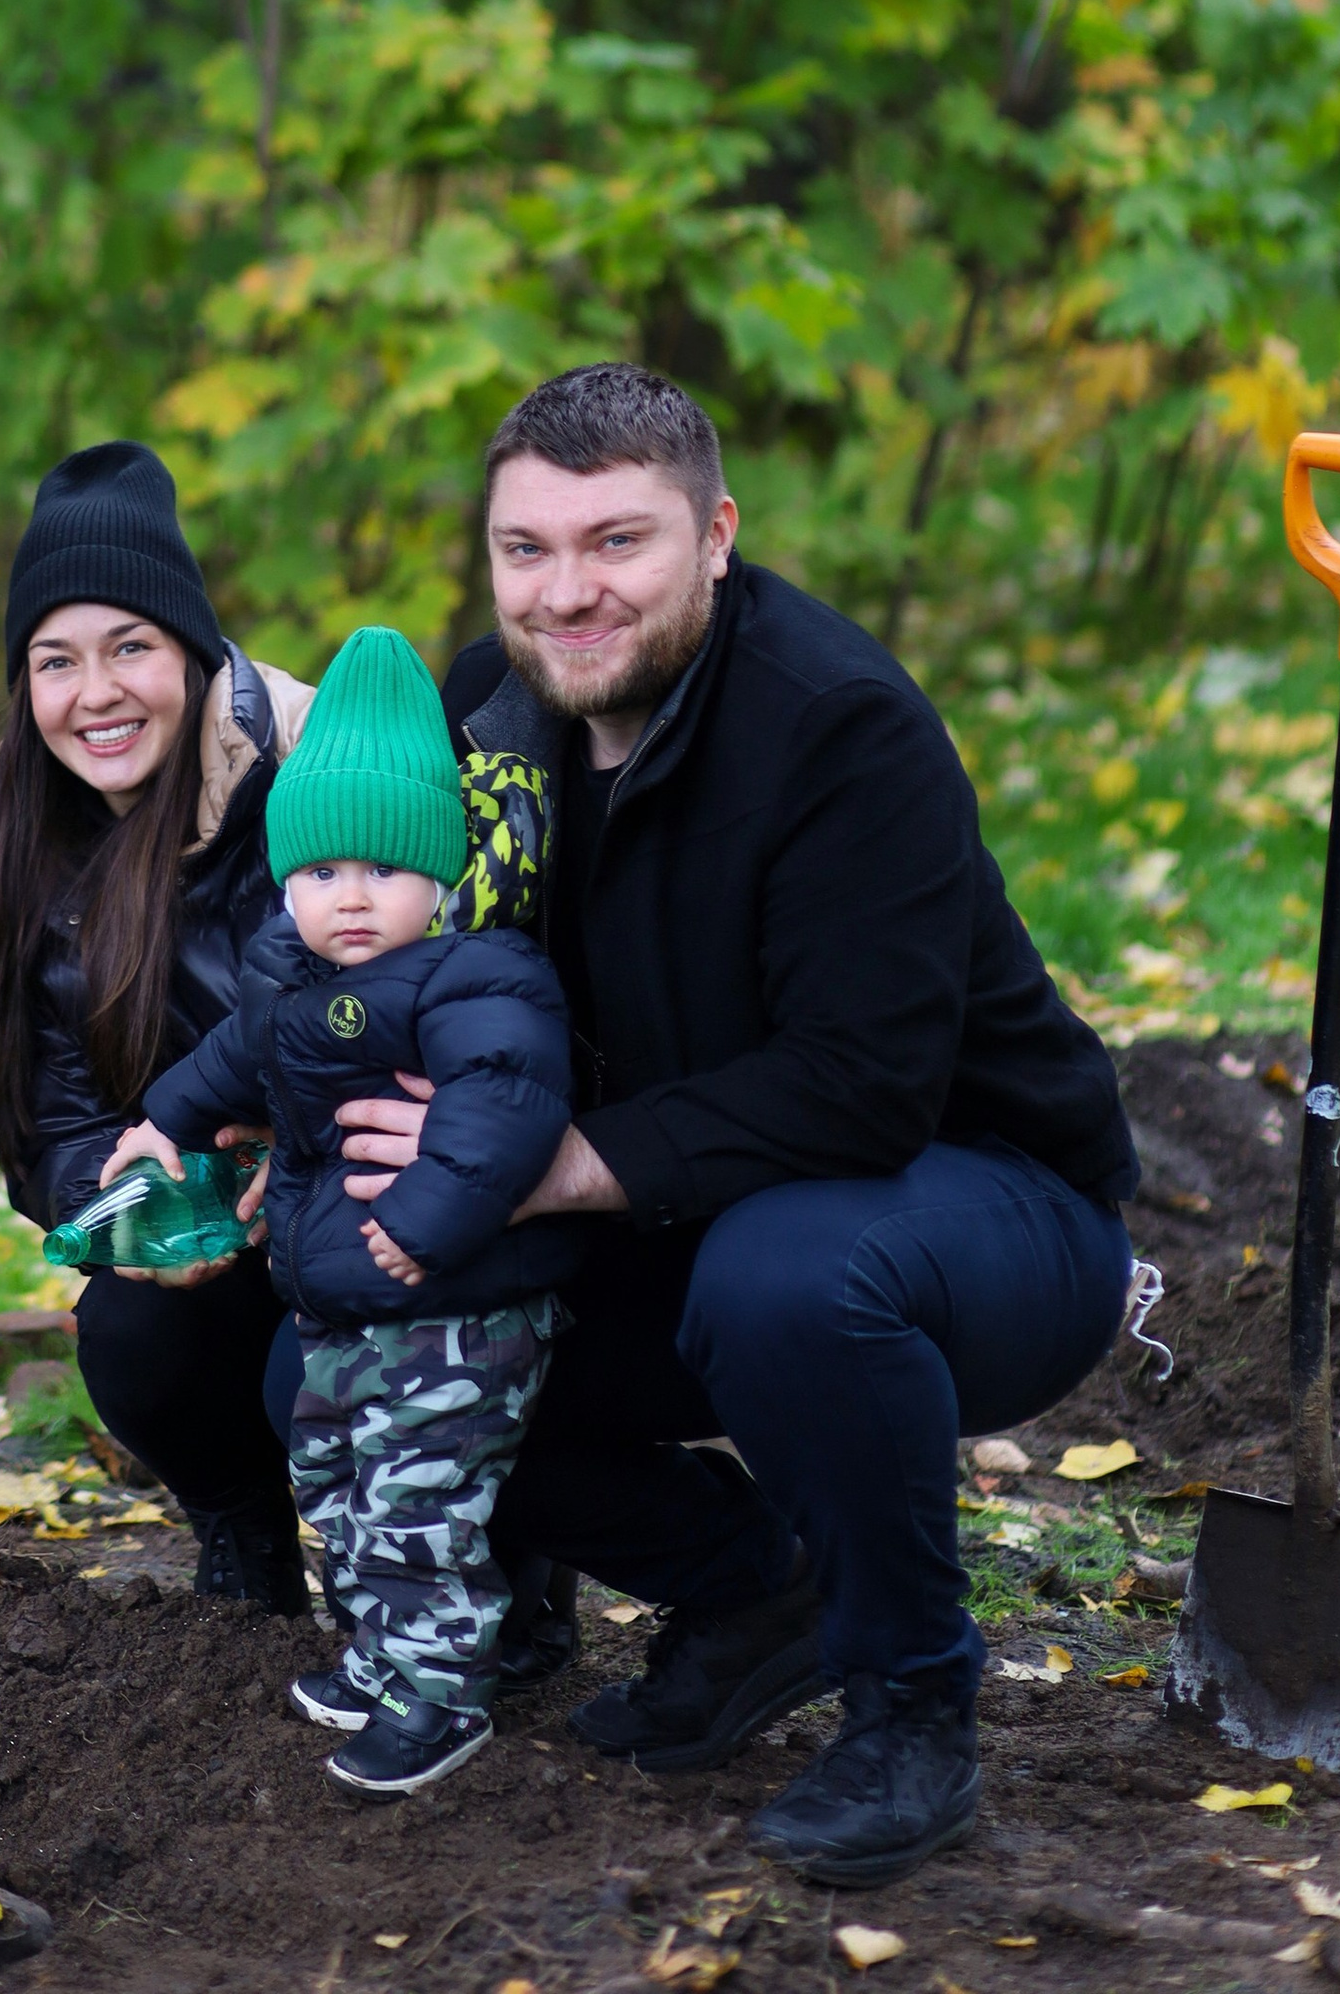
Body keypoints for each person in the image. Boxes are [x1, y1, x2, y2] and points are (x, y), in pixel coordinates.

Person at [331, 362, 1139, 1888]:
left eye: (616, 542)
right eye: (526, 549)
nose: (566, 591)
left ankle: (913, 1708)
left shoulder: (839, 730)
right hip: (685, 1204)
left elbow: (864, 1085)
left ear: (715, 537)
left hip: (981, 1209)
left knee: (788, 1279)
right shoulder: (483, 712)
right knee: (362, 1308)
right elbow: (393, 963)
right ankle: (751, 1586)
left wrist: (555, 1163)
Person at [109, 626, 576, 1800]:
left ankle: (440, 1695)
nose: (350, 897)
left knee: (420, 1505)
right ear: (286, 882)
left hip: (453, 1307)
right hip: (340, 1300)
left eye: (382, 869)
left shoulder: (477, 973)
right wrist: (166, 1119)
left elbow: (503, 1109)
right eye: (320, 872)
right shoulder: (289, 971)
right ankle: (378, 1656)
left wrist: (425, 1224)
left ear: (437, 873)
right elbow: (233, 1056)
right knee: (334, 1483)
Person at [0, 440, 318, 1605]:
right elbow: (46, 1121)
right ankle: (244, 1533)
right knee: (131, 1339)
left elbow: (420, 1020)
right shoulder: (13, 827)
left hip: (371, 1186)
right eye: (56, 661)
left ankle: (501, 1567)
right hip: (206, 1207)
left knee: (323, 1361)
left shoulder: (311, 771)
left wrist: (292, 1151)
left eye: (130, 647)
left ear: (191, 650)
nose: (95, 693)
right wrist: (133, 1211)